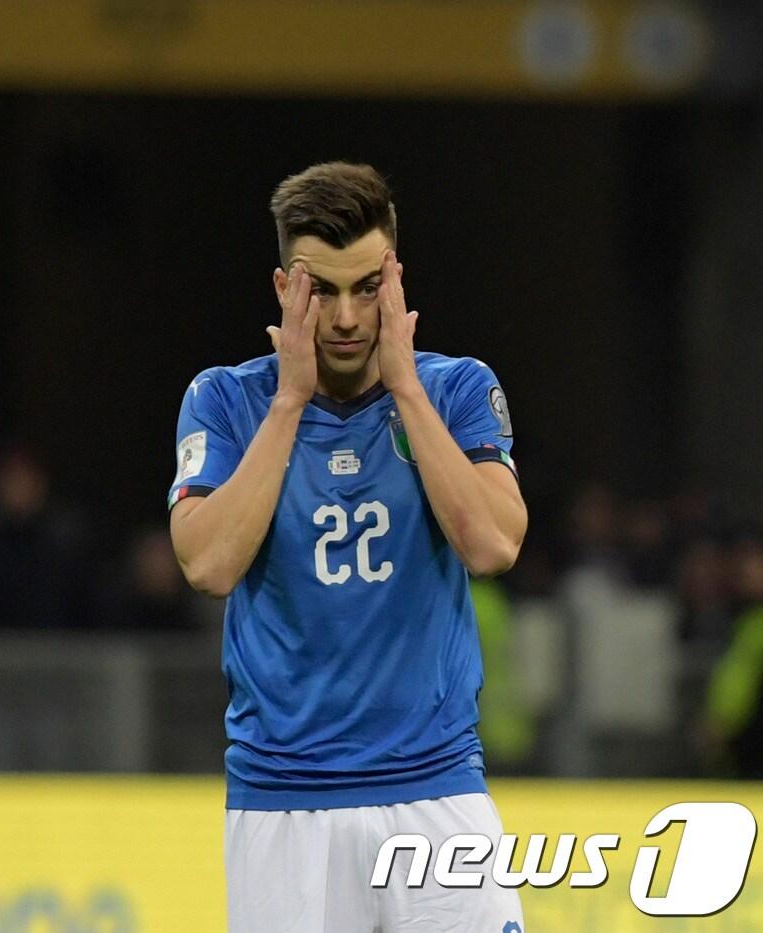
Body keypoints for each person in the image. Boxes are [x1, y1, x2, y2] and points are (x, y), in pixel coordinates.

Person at [167, 162, 527, 932]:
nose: (343, 315)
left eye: (366, 287)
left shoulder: (456, 389)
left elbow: (494, 544)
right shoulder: (227, 400)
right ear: (280, 289)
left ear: (395, 278)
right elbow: (208, 563)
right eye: (318, 289)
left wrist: (405, 387)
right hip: (284, 802)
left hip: (438, 787)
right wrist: (291, 399)